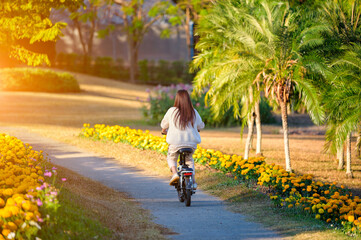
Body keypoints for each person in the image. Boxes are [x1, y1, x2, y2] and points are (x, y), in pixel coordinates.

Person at [160, 89, 205, 190]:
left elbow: (164, 124)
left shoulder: (172, 111)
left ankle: (175, 174)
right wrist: (197, 129)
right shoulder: (193, 112)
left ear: (177, 99)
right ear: (188, 100)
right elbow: (201, 125)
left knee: (171, 158)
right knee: (189, 160)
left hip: (175, 143)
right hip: (191, 144)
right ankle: (193, 181)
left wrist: (164, 130)